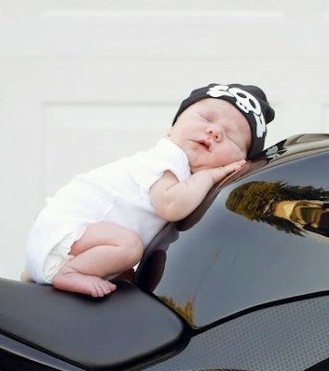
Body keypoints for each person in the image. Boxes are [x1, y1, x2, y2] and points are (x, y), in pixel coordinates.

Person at [23, 83, 275, 298]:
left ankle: (55, 272)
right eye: (206, 118)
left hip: (64, 241)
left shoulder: (186, 176)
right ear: (172, 126)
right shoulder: (169, 157)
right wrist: (209, 175)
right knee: (129, 245)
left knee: (128, 259)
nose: (215, 131)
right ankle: (71, 273)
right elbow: (170, 205)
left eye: (231, 136)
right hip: (64, 235)